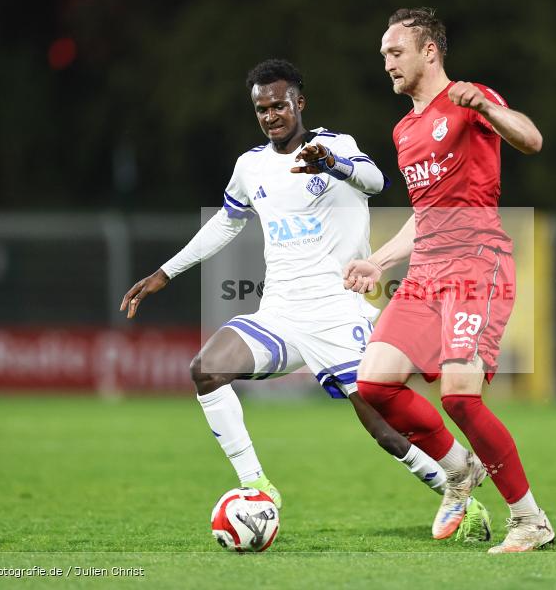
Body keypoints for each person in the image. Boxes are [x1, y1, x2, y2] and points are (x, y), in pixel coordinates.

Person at [120, 59, 491, 541]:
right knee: (206, 369)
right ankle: (257, 486)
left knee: (385, 431)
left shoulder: (335, 146)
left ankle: (460, 493)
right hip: (280, 312)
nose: (271, 115)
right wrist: (166, 272)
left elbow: (376, 183)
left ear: (300, 102)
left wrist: (330, 164)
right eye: (262, 109)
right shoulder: (250, 166)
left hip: (338, 312)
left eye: (279, 104)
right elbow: (227, 222)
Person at [343, 8, 553, 553]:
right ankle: (459, 469)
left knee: (461, 397)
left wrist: (486, 107)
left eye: (395, 52)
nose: (386, 63)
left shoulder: (467, 98)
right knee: (374, 383)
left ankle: (530, 520)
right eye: (384, 54)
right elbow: (425, 213)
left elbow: (530, 139)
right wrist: (380, 262)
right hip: (426, 272)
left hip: (476, 264)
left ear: (429, 51)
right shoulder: (404, 129)